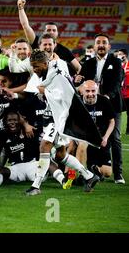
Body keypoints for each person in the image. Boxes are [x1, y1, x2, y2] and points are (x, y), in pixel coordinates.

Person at [25, 50, 100, 195]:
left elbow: (64, 97)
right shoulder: (46, 74)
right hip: (55, 116)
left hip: (61, 118)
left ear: (46, 64)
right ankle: (89, 176)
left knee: (44, 146)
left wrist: (45, 92)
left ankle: (36, 186)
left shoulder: (58, 76)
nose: (34, 69)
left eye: (37, 66)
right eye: (32, 66)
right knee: (59, 155)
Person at [76, 34, 125, 184]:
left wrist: (107, 97)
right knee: (85, 137)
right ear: (95, 46)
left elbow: (117, 83)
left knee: (115, 138)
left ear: (109, 47)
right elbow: (80, 82)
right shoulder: (88, 62)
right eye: (98, 43)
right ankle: (85, 172)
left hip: (112, 106)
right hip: (90, 105)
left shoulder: (116, 62)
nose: (101, 45)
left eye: (104, 43)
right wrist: (76, 80)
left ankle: (118, 174)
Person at [17, 0, 81, 75]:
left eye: (54, 30)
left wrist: (76, 79)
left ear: (57, 33)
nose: (51, 32)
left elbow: (78, 68)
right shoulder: (36, 41)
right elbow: (25, 26)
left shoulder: (64, 50)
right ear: (44, 32)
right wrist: (21, 9)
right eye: (49, 30)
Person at [76, 80, 115, 181]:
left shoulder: (104, 101)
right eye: (87, 91)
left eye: (93, 91)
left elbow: (112, 122)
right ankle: (83, 175)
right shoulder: (77, 103)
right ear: (82, 91)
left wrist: (106, 137)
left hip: (101, 140)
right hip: (85, 138)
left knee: (107, 173)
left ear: (97, 90)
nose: (90, 94)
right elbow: (73, 123)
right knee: (82, 144)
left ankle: (92, 169)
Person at [116, 48, 129, 134]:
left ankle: (128, 131)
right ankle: (116, 130)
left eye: (120, 54)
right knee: (117, 113)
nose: (119, 55)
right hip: (120, 94)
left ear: (125, 55)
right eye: (118, 54)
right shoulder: (119, 66)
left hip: (128, 94)